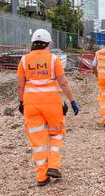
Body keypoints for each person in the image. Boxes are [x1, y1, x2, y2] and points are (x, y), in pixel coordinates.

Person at [17, 29, 81, 187]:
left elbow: (20, 85)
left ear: (33, 43)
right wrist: (72, 101)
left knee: (38, 141)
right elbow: (63, 83)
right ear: (48, 43)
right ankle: (53, 166)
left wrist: (21, 103)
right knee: (56, 133)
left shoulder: (24, 60)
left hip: (31, 104)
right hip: (52, 104)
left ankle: (41, 177)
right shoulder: (54, 59)